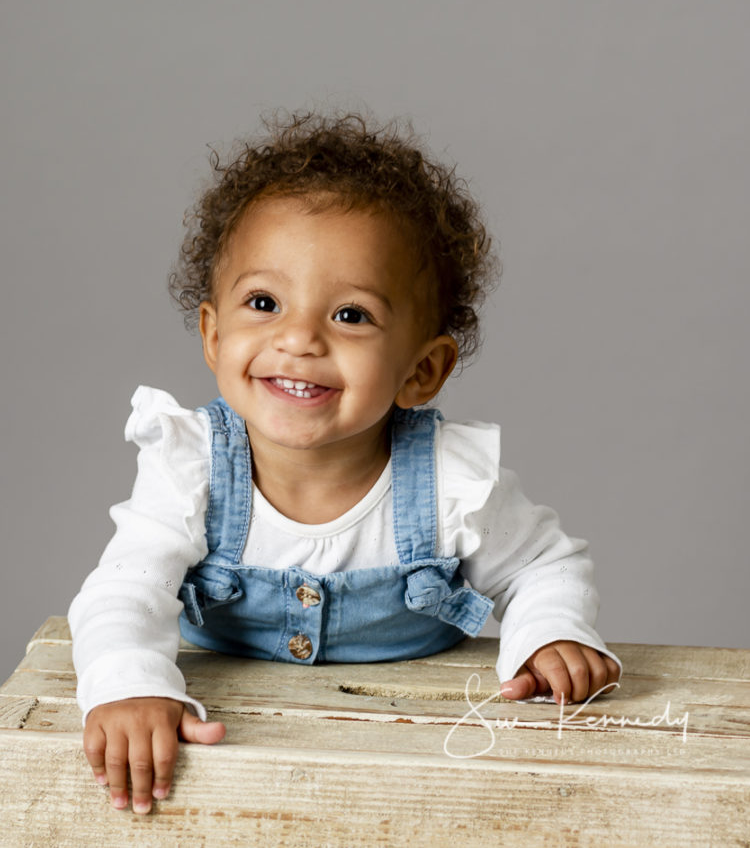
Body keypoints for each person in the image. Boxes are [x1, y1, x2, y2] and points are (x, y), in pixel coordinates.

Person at [69, 110, 622, 814]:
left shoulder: (448, 478)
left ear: (423, 369)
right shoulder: (194, 464)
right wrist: (130, 684)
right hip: (238, 754)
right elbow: (123, 590)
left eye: (351, 315)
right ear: (213, 335)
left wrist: (551, 634)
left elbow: (545, 565)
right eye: (264, 302)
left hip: (418, 758)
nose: (298, 338)